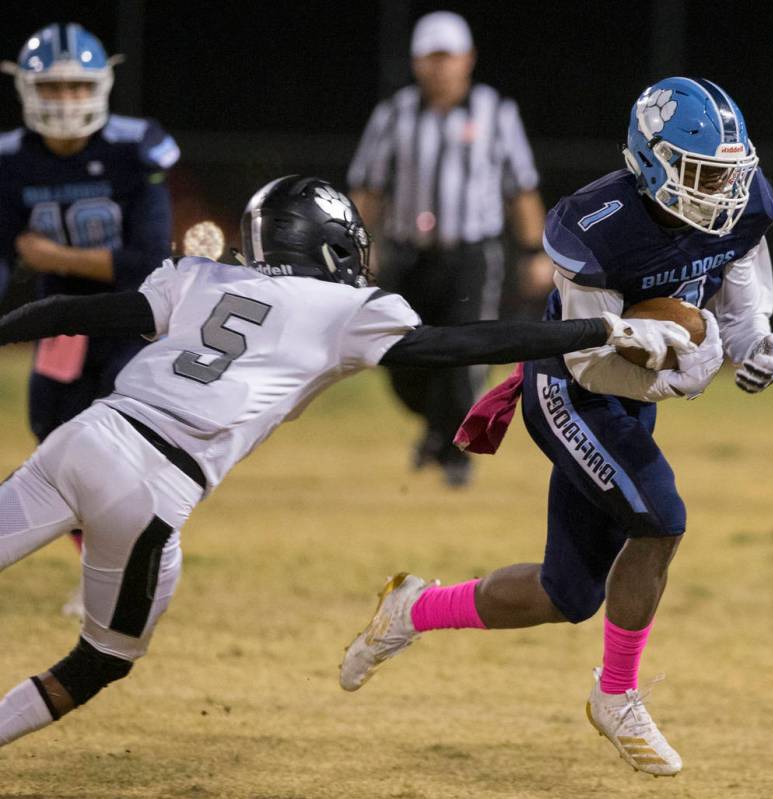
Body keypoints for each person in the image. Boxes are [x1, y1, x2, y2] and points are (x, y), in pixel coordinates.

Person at [0, 175, 692, 750]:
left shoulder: (200, 276)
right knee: (100, 660)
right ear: (326, 243)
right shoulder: (343, 305)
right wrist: (599, 327)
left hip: (85, 435)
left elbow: (73, 311)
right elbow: (455, 344)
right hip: (151, 487)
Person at [340, 78, 773, 778]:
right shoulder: (593, 225)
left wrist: (755, 336)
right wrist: (698, 363)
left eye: (728, 173)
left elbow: (737, 269)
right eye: (701, 174)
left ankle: (412, 608)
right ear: (651, 162)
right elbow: (592, 364)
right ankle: (616, 695)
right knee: (659, 517)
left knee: (567, 593)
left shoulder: (740, 200)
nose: (721, 191)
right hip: (571, 384)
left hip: (633, 386)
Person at [0, 23, 179, 613]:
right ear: (26, 91)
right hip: (62, 322)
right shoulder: (11, 159)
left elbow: (149, 259)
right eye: (53, 88)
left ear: (100, 86)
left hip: (134, 314)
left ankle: (139, 560)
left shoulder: (135, 147)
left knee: (113, 443)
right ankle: (97, 563)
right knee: (51, 435)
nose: (66, 101)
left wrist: (57, 258)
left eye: (78, 87)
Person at [348, 11, 553, 487]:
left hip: (472, 255)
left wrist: (532, 252)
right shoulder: (394, 115)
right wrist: (359, 248)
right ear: (417, 63)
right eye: (430, 58)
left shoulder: (495, 113)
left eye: (447, 57)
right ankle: (438, 429)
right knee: (400, 358)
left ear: (468, 60)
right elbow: (368, 188)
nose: (439, 68)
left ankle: (454, 452)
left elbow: (521, 188)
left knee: (466, 355)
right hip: (408, 253)